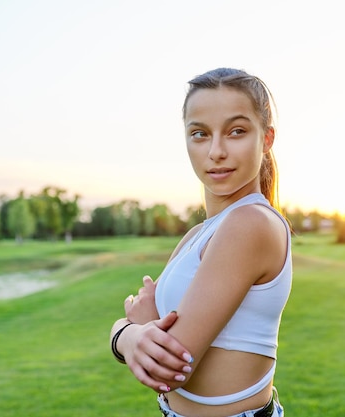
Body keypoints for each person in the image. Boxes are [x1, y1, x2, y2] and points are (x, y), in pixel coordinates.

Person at [109, 67, 292, 417]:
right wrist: (130, 334)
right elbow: (142, 327)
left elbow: (170, 366)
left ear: (266, 139)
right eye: (200, 134)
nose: (216, 151)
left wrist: (128, 332)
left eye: (236, 131)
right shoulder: (199, 234)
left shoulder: (251, 223)